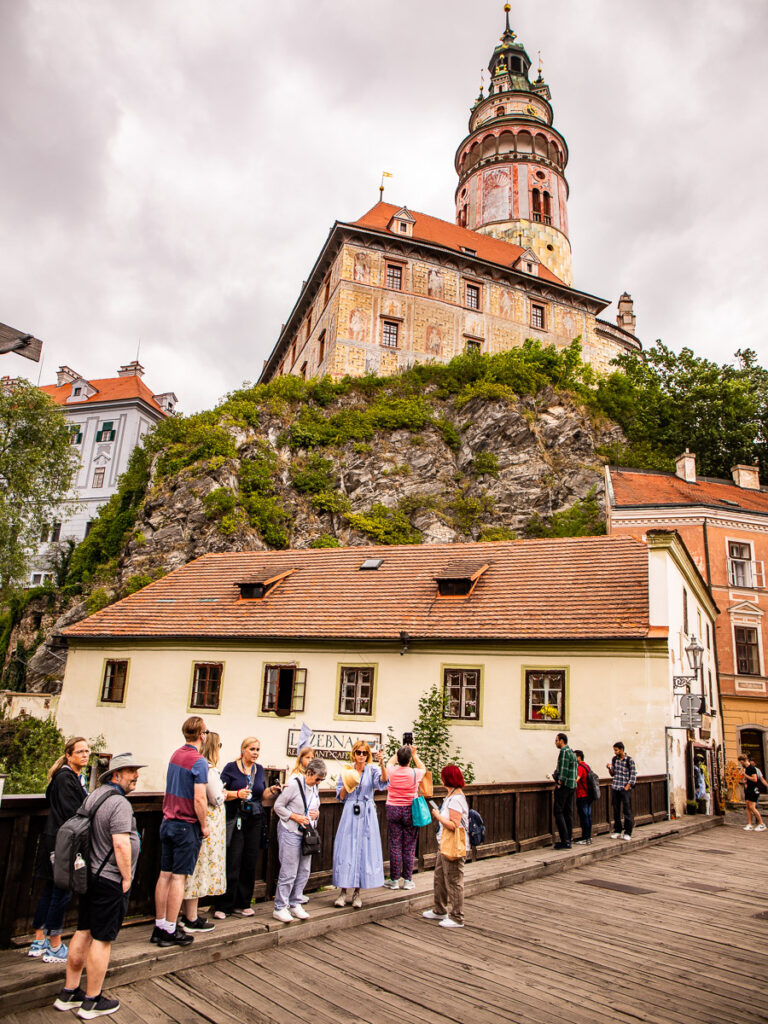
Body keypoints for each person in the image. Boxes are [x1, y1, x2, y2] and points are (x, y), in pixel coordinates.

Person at [52, 752, 145, 1019]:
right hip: (109, 878)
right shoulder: (119, 804)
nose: (136, 775)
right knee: (102, 939)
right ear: (116, 775)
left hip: (88, 874)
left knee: (83, 930)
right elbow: (120, 843)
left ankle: (69, 993)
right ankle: (92, 1000)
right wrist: (126, 877)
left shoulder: (95, 795)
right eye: (131, 771)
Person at [29, 736, 90, 963]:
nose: (85, 755)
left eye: (87, 751)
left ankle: (38, 939)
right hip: (63, 841)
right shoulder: (66, 778)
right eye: (80, 751)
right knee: (62, 890)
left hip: (56, 838)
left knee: (52, 887)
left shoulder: (68, 777)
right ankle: (54, 944)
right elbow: (71, 811)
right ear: (69, 755)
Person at [151, 717, 209, 948]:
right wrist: (204, 825)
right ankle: (171, 928)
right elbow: (199, 798)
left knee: (164, 875)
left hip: (168, 821)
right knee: (179, 878)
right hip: (186, 824)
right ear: (202, 734)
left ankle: (159, 925)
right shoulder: (199, 762)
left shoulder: (176, 755)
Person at [213, 736, 281, 918]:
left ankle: (243, 902)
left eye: (258, 749)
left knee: (250, 862)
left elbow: (262, 794)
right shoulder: (230, 768)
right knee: (233, 861)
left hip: (255, 819)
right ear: (243, 750)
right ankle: (224, 905)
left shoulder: (259, 770)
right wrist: (237, 794)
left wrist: (272, 791)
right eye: (252, 749)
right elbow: (218, 792)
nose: (255, 753)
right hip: (236, 818)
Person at [332, 741, 389, 909]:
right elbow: (340, 796)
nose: (361, 755)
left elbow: (383, 783)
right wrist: (349, 784)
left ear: (368, 755)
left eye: (364, 753)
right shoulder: (347, 770)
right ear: (354, 753)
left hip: (366, 813)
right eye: (359, 752)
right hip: (350, 811)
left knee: (363, 850)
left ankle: (357, 892)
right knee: (346, 849)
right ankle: (343, 891)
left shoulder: (372, 770)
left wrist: (382, 764)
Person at [181, 730, 226, 932]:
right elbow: (215, 797)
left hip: (200, 823)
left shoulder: (197, 766)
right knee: (199, 869)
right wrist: (225, 793)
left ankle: (188, 914)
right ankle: (190, 916)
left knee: (196, 869)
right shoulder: (210, 770)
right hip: (207, 825)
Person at [272, 757, 327, 922]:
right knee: (289, 870)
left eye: (321, 780)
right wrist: (295, 817)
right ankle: (280, 906)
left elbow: (314, 806)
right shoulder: (295, 785)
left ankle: (295, 902)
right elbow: (278, 806)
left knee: (304, 870)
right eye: (317, 779)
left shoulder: (314, 788)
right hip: (290, 830)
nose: (318, 782)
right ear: (309, 773)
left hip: (306, 833)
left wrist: (316, 814)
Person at [422, 764, 469, 929]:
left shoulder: (456, 799)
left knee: (454, 880)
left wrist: (437, 816)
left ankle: (457, 916)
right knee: (440, 877)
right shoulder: (452, 795)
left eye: (443, 776)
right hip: (444, 844)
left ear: (447, 779)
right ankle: (439, 909)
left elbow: (454, 825)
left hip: (453, 845)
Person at [383, 744, 426, 890]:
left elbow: (389, 762)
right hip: (410, 809)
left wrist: (398, 753)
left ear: (398, 758)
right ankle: (408, 879)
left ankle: (394, 879)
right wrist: (414, 755)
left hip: (393, 808)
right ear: (408, 760)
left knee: (395, 844)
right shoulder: (415, 773)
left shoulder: (391, 770)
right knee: (409, 845)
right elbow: (423, 768)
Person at [552, 733, 577, 849]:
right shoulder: (571, 752)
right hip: (572, 785)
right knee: (568, 812)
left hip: (565, 785)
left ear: (561, 741)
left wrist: (560, 782)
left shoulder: (564, 752)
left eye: (556, 740)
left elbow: (564, 769)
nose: (555, 742)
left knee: (558, 810)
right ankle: (569, 838)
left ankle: (564, 839)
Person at [607, 741, 636, 840]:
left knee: (627, 810)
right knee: (616, 810)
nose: (615, 752)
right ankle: (617, 830)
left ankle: (628, 832)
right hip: (615, 787)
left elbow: (633, 774)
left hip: (624, 788)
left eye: (616, 750)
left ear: (621, 749)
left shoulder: (629, 760)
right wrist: (609, 768)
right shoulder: (615, 759)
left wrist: (628, 786)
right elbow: (613, 773)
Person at [738, 753, 766, 831]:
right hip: (748, 789)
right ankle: (750, 824)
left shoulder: (751, 768)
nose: (741, 763)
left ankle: (761, 824)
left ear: (743, 761)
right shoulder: (746, 769)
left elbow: (755, 779)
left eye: (741, 762)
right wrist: (744, 781)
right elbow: (749, 779)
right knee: (747, 806)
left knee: (752, 807)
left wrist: (745, 775)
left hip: (754, 790)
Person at [574, 749, 593, 846]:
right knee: (588, 816)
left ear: (578, 757)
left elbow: (576, 779)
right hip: (589, 794)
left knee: (584, 816)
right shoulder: (587, 766)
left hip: (582, 794)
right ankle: (589, 837)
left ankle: (585, 837)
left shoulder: (580, 767)